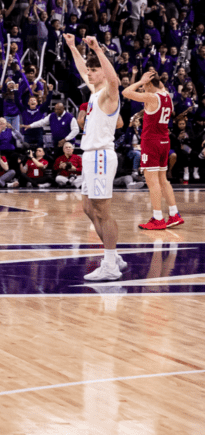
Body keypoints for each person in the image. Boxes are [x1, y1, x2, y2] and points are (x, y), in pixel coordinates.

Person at [65, 34, 127, 282]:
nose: (89, 73)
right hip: (90, 156)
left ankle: (110, 264)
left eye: (94, 70)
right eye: (89, 70)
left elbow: (113, 80)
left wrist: (99, 50)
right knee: (89, 208)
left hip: (101, 155)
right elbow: (82, 70)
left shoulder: (109, 94)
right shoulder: (94, 92)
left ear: (104, 71)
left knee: (103, 211)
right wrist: (72, 47)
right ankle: (115, 257)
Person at [122, 69, 184, 229]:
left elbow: (126, 92)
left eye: (145, 87)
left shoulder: (151, 97)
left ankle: (158, 218)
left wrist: (141, 81)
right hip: (164, 141)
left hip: (151, 142)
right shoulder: (168, 97)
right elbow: (159, 89)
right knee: (163, 180)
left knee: (152, 181)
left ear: (149, 83)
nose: (143, 89)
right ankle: (174, 214)